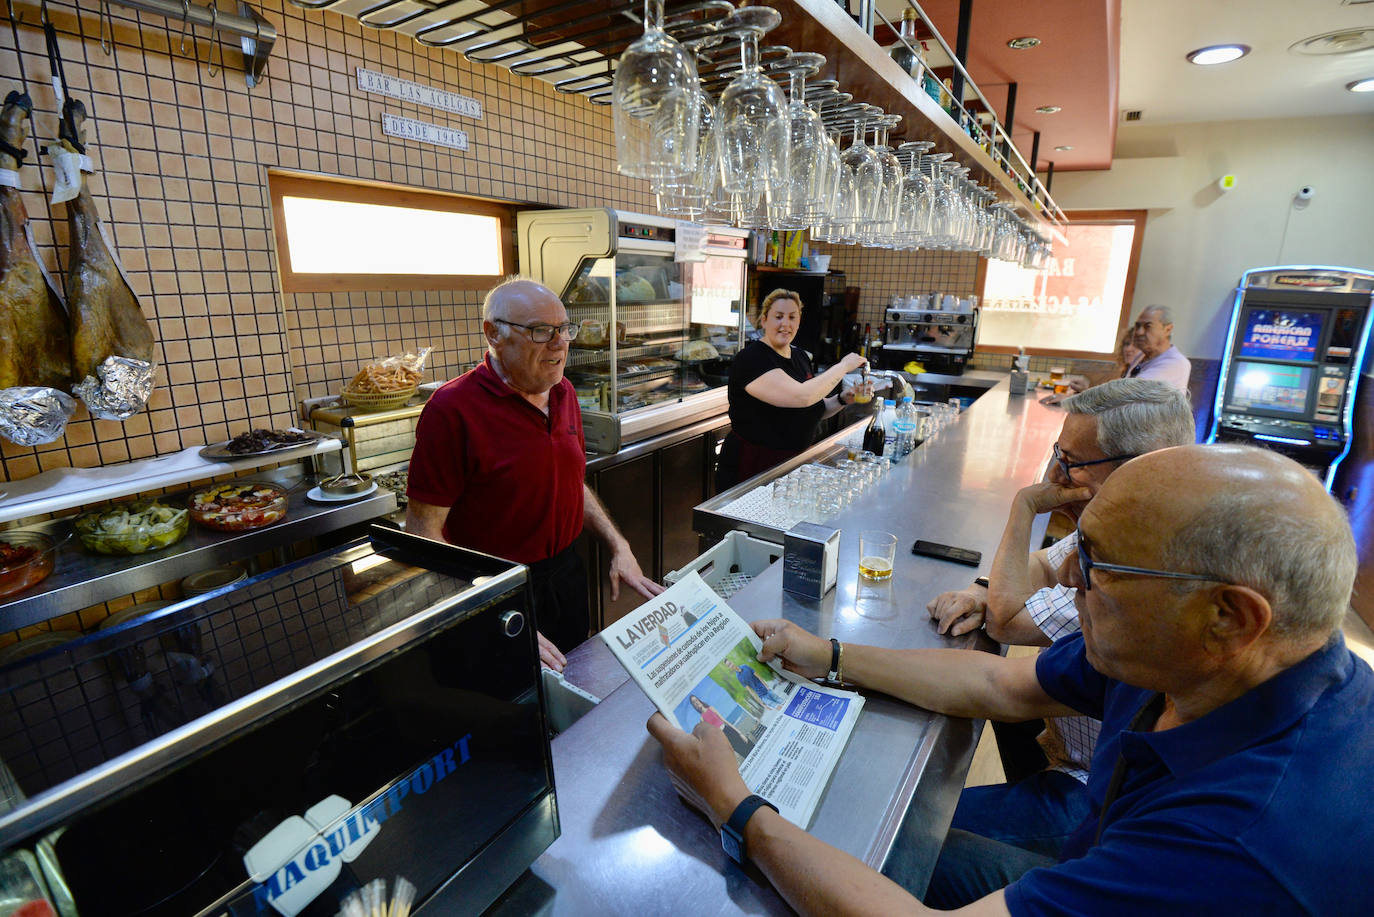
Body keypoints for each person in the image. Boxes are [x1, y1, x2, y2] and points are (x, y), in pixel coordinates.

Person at [647, 443, 1372, 915]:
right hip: (1090, 846)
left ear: (1229, 617)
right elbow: (1002, 687)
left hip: (1126, 863)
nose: (1069, 578)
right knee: (877, 846)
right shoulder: (1188, 660)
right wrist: (829, 654)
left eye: (1097, 562)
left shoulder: (1238, 846)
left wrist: (733, 805)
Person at [925, 379, 1195, 859]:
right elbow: (1043, 565)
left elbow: (1006, 620)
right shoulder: (1122, 521)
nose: (1055, 473)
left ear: (1135, 467)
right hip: (1067, 753)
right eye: (1057, 453)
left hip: (1095, 793)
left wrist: (1026, 504)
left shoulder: (1130, 573)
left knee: (921, 834)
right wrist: (983, 588)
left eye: (1070, 460)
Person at [406, 277, 664, 671]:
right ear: (494, 334)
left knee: (574, 687)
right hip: (494, 590)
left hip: (564, 576)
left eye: (564, 329)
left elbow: (569, 481)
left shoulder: (564, 392)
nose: (560, 343)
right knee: (512, 697)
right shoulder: (452, 409)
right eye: (541, 331)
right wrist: (495, 607)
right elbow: (422, 534)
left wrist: (618, 544)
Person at [716, 289, 869, 490]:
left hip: (793, 463)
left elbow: (812, 407)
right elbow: (802, 397)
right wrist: (843, 366)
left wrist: (842, 399)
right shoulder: (752, 359)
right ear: (764, 321)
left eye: (792, 317)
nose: (785, 324)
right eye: (778, 316)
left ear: (799, 322)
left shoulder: (800, 357)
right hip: (753, 465)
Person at [1122, 305, 1191, 390]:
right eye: (1138, 326)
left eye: (1148, 326)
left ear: (1167, 330)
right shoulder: (1141, 356)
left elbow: (1131, 390)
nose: (1139, 332)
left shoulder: (1176, 362)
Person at [689, 694, 754, 761]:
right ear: (694, 706)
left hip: (729, 730)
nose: (696, 703)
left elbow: (724, 720)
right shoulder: (702, 719)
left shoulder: (710, 708)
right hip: (724, 738)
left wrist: (740, 733)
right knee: (744, 753)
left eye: (696, 700)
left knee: (748, 744)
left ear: (699, 700)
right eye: (694, 702)